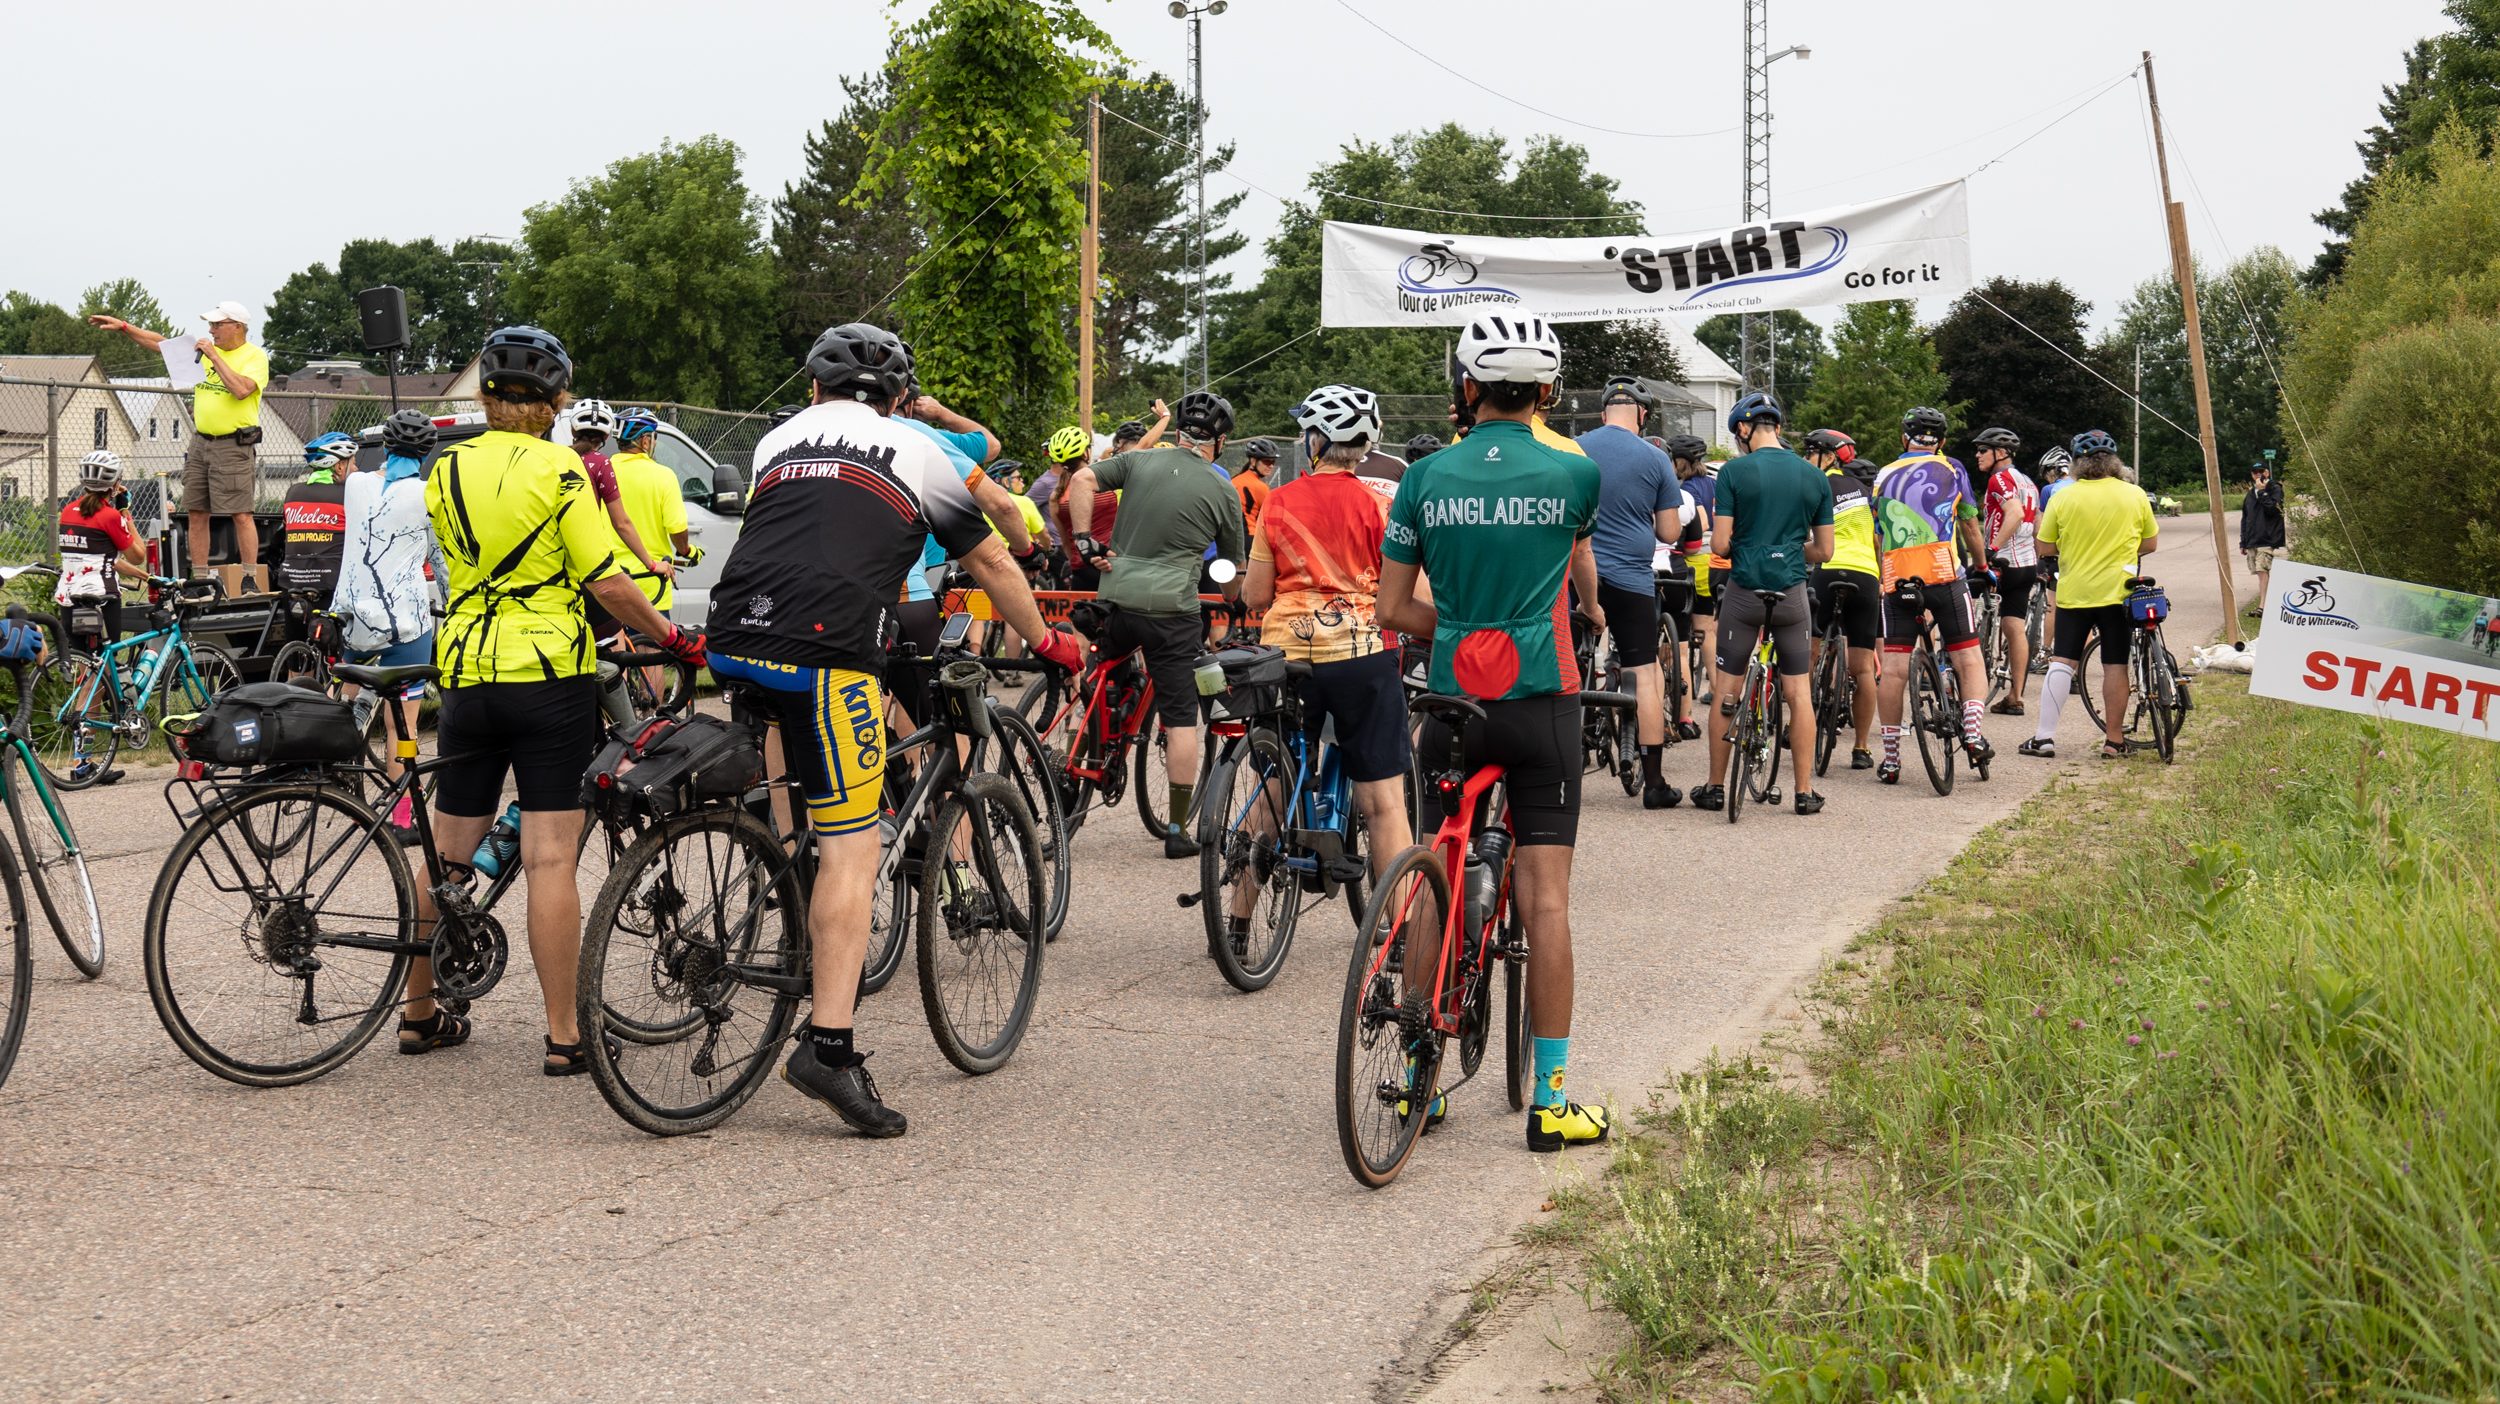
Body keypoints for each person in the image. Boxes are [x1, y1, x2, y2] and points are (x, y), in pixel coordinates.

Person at [706, 322, 1079, 1137]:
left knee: (794, 798)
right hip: (829, 647)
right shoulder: (922, 453)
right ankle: (829, 1050)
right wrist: (1048, 641)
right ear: (901, 401)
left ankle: (780, 879)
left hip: (733, 639)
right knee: (853, 847)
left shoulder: (778, 442)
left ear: (813, 390)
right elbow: (990, 559)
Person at [418, 325, 703, 1075]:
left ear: (484, 396)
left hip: (468, 668)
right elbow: (608, 581)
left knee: (446, 858)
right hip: (547, 672)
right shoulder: (564, 469)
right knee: (549, 861)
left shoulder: (442, 469)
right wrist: (673, 640)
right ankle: (564, 1035)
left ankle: (419, 1015)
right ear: (554, 404)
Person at [1376, 309, 1608, 1153]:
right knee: (1546, 903)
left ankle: (1416, 1081)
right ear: (1546, 390)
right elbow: (1577, 573)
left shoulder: (1424, 477)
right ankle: (1551, 1104)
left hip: (1453, 707)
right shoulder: (1574, 475)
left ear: (1466, 388)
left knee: (1437, 871)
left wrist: (1459, 624)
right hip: (1543, 700)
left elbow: (1393, 609)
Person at [1234, 383, 1413, 950]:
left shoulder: (1280, 500)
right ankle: (1402, 931)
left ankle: (1237, 921)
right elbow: (1407, 590)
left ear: (1314, 440)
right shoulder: (1382, 504)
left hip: (1287, 656)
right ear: (1365, 444)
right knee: (1383, 801)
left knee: (1273, 779)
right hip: (1362, 653)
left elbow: (1256, 594)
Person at [1064, 390, 1249, 858]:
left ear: (1180, 431)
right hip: (1172, 613)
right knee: (1182, 715)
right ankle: (1176, 829)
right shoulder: (1223, 489)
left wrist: (1084, 541)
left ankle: (1087, 741)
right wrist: (1232, 599)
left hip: (1116, 601)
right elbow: (1231, 569)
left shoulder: (1138, 461)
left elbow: (1083, 478)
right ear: (1220, 441)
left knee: (1103, 668)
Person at [1690, 395, 1833, 815]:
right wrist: (1787, 550)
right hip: (1790, 594)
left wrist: (1752, 548)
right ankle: (1804, 792)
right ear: (1778, 427)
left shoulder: (1733, 472)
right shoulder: (1814, 476)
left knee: (1727, 689)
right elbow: (1823, 550)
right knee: (1798, 692)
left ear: (1742, 430)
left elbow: (1718, 544)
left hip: (1744, 593)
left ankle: (1716, 786)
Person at [91, 301, 270, 577]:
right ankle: (200, 576)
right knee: (197, 511)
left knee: (241, 513)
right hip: (200, 442)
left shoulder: (253, 357)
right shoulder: (204, 352)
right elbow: (160, 343)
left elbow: (242, 390)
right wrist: (124, 327)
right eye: (210, 325)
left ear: (237, 326)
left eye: (217, 325)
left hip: (234, 444)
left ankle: (249, 577)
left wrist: (214, 356)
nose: (211, 331)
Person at [1576, 376, 1687, 809]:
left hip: (1572, 576)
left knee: (1560, 663)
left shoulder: (1574, 447)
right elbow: (1669, 530)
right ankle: (1655, 783)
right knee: (1642, 673)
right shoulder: (1655, 457)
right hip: (1630, 581)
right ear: (1642, 415)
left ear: (1603, 412)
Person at [333, 408, 441, 843]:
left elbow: (374, 478)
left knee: (345, 695)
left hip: (353, 616)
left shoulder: (356, 485)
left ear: (386, 447)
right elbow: (440, 561)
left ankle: (328, 757)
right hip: (406, 624)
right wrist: (452, 606)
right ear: (425, 452)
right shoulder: (429, 495)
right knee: (403, 727)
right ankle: (401, 820)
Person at [1870, 406, 1994, 784]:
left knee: (1892, 670)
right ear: (1940, 441)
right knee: (1969, 658)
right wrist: (1982, 565)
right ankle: (1972, 733)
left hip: (1897, 579)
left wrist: (1885, 573)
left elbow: (1879, 533)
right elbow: (1970, 524)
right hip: (1943, 574)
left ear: (1903, 438)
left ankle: (1891, 761)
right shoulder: (1953, 468)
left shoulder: (1883, 474)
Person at [2020, 431, 2159, 761]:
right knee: (2115, 665)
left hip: (2075, 592)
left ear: (2076, 464)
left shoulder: (2062, 497)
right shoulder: (2134, 494)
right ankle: (2113, 740)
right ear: (2114, 462)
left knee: (2063, 661)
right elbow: (2150, 543)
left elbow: (2045, 546)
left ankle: (2044, 738)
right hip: (2119, 593)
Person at [53, 450, 150, 785]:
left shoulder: (68, 511)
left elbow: (95, 555)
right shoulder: (112, 516)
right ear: (114, 485)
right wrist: (127, 513)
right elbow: (138, 551)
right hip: (102, 602)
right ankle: (83, 761)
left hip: (69, 600)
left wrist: (141, 575)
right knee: (96, 681)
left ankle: (85, 757)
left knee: (87, 674)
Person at [1801, 429, 1880, 769]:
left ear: (1830, 456)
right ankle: (1861, 747)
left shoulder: (1813, 484)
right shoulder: (1864, 491)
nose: (1806, 459)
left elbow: (1800, 531)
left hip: (1828, 569)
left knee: (1809, 652)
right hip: (1866, 574)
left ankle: (1797, 725)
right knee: (1863, 667)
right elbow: (1877, 539)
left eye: (1811, 452)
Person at [567, 399, 673, 594]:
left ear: (573, 431)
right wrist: (650, 564)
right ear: (606, 435)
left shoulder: (557, 459)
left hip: (555, 565)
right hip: (589, 566)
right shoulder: (601, 463)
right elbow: (622, 523)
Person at [1975, 426, 2041, 715]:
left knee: (1959, 602)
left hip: (2003, 562)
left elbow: (2014, 513)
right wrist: (2040, 557)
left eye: (1983, 450)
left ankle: (1957, 682)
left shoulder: (1998, 479)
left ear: (2001, 453)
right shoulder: (2028, 481)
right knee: (2014, 626)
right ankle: (2016, 696)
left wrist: (1991, 550)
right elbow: (2037, 520)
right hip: (2027, 564)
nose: (1977, 455)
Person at [606, 409, 695, 619]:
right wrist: (687, 551)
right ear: (645, 441)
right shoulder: (663, 476)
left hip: (608, 580)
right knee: (651, 648)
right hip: (650, 582)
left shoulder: (604, 470)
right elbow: (677, 529)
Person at [1666, 434, 1719, 702]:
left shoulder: (1689, 489)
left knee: (1699, 630)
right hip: (1717, 561)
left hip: (1696, 561)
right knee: (1709, 628)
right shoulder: (1711, 482)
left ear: (1682, 462)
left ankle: (1712, 685)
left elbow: (1702, 524)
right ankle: (1716, 687)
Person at [276, 433, 356, 600]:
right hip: (332, 585)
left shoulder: (293, 493)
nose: (356, 469)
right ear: (340, 466)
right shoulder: (348, 496)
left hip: (292, 582)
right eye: (353, 463)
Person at [2239, 459, 2285, 615]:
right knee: (2259, 573)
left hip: (2268, 538)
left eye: (2261, 472)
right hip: (2253, 540)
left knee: (2262, 571)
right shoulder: (2250, 494)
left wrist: (2262, 492)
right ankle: (2268, 605)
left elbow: (2273, 509)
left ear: (2267, 473)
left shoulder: (2275, 488)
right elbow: (2246, 518)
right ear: (2252, 475)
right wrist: (2243, 542)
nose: (2258, 475)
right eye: (2255, 473)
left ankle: (2263, 607)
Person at [1233, 438, 1277, 537]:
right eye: (1267, 461)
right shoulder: (1260, 487)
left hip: (1232, 538)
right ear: (1253, 461)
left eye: (1273, 462)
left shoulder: (1235, 479)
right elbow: (1271, 517)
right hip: (1250, 536)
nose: (1271, 466)